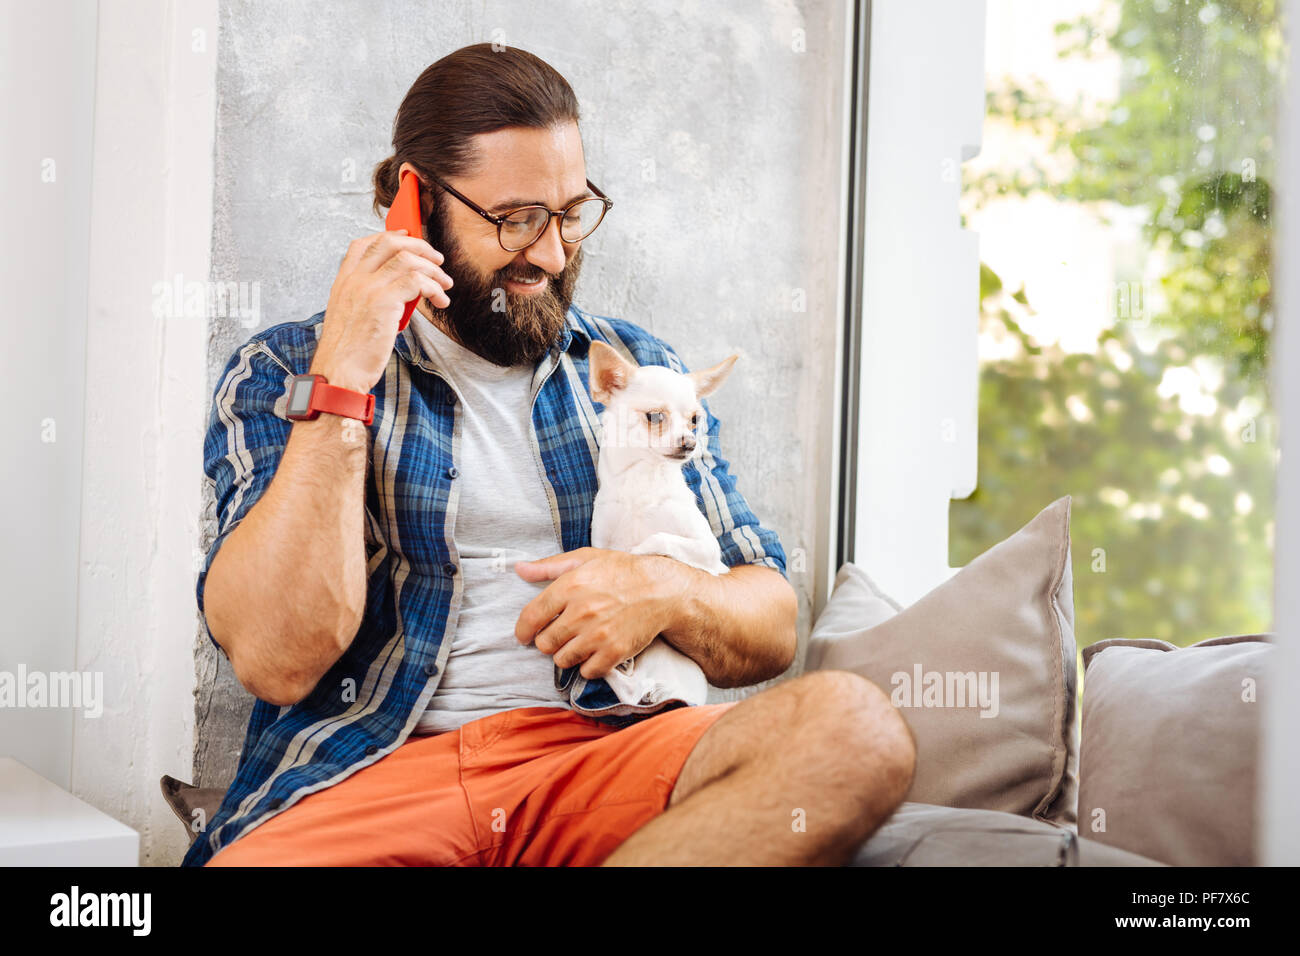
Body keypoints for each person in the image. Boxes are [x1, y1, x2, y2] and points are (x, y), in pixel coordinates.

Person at [184, 43, 914, 868]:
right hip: (372, 769)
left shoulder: (631, 370)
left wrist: (659, 589)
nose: (556, 252)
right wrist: (346, 377)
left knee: (852, 730)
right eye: (517, 219)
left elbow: (770, 623)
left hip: (598, 753)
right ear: (410, 203)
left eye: (571, 213)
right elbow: (278, 657)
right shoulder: (286, 370)